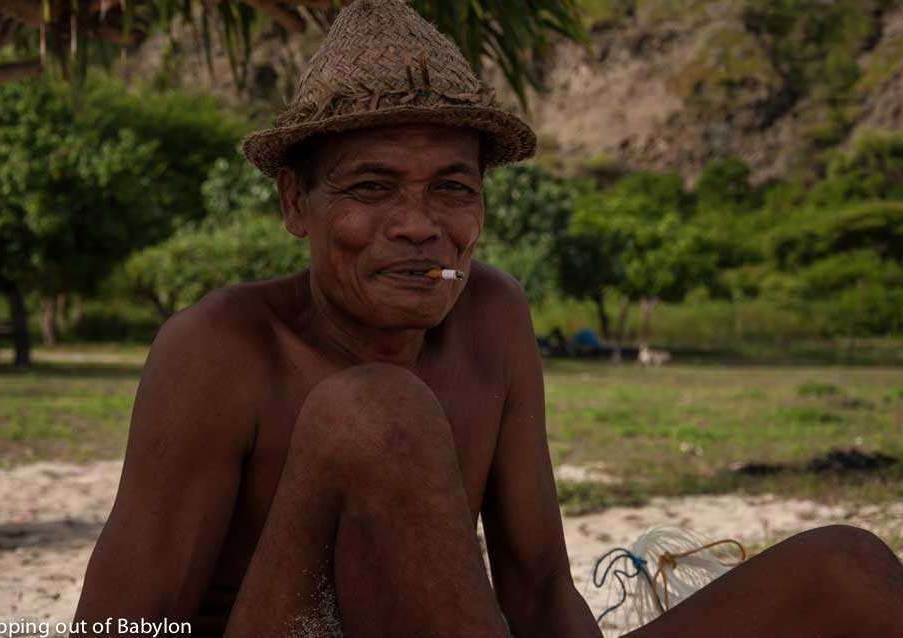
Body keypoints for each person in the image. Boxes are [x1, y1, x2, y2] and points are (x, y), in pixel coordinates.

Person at [74, 1, 903, 637]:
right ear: (297, 203)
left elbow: (539, 587)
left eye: (451, 189)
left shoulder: (493, 315)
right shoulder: (219, 348)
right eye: (371, 188)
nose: (416, 223)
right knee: (374, 411)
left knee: (849, 569)